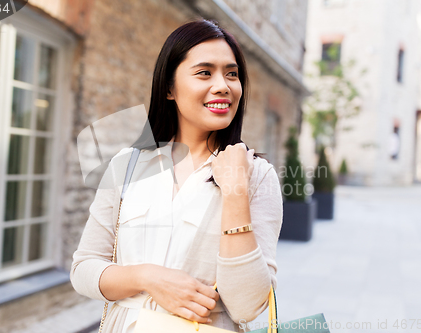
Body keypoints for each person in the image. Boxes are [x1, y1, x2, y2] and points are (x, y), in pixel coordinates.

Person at [70, 18, 283, 333]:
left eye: (232, 73)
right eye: (204, 72)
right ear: (169, 87)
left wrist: (236, 191)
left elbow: (247, 305)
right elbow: (84, 269)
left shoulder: (257, 176)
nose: (223, 85)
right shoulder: (126, 166)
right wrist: (148, 278)